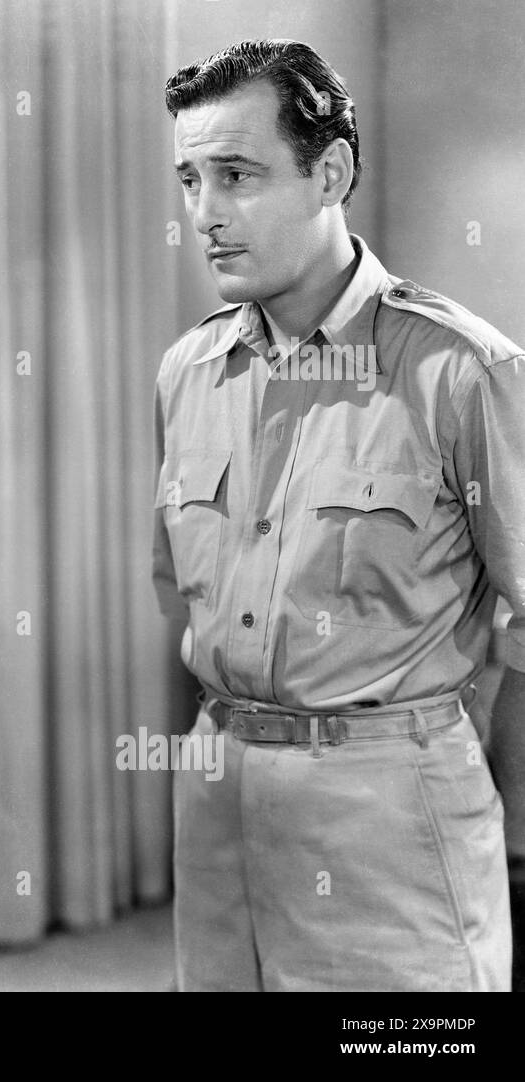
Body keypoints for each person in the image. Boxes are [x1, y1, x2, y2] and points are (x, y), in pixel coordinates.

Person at [155, 38, 522, 991]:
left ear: (332, 172)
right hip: (218, 801)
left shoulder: (457, 369)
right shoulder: (187, 373)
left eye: (236, 175)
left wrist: (439, 748)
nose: (205, 214)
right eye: (190, 179)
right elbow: (180, 596)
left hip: (388, 816)